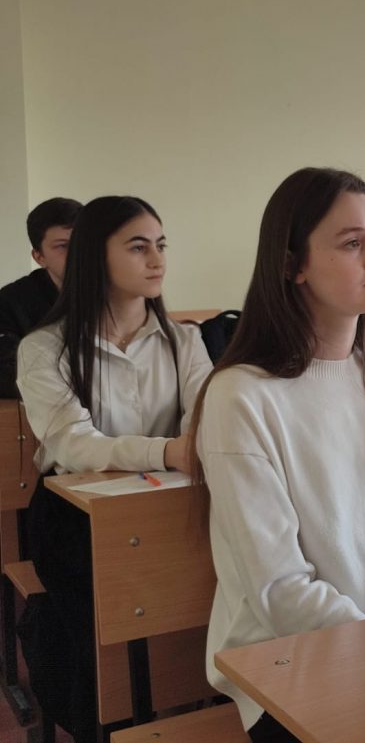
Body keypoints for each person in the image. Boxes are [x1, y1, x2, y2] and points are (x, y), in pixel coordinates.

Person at [192, 168, 365, 742]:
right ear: (294, 265)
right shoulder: (241, 395)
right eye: (352, 243)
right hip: (285, 662)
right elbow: (278, 587)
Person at [16, 196, 212, 743]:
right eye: (138, 247)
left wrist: (184, 452)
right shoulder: (45, 348)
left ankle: (191, 712)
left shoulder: (185, 340)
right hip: (74, 515)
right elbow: (74, 445)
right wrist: (166, 452)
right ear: (94, 257)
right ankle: (101, 723)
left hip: (171, 502)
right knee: (98, 634)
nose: (157, 259)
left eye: (161, 245)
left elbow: (205, 422)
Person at [0, 197, 82, 397]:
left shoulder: (120, 293)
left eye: (83, 242)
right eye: (63, 246)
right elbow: (7, 374)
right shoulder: (10, 301)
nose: (78, 253)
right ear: (39, 257)